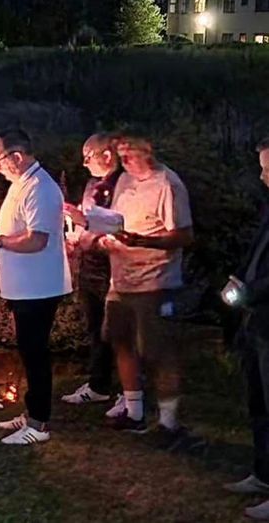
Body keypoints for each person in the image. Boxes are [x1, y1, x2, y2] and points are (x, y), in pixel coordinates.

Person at [0, 129, 72, 445]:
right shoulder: (22, 185)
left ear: (17, 156)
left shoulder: (41, 188)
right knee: (28, 352)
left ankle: (38, 425)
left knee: (36, 353)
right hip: (23, 287)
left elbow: (37, 239)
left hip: (38, 288)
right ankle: (31, 413)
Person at [97, 134, 193, 434]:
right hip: (121, 279)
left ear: (148, 152)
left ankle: (168, 422)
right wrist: (102, 236)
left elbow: (184, 235)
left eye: (129, 154)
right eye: (120, 154)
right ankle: (134, 410)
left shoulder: (167, 184)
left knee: (158, 350)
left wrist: (146, 241)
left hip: (155, 280)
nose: (123, 160)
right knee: (120, 340)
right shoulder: (125, 181)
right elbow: (118, 221)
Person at [60, 133, 126, 415]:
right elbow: (87, 221)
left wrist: (85, 223)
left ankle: (129, 391)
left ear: (107, 155)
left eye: (88, 157)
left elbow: (120, 224)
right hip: (90, 267)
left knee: (120, 331)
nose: (84, 163)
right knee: (95, 328)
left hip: (115, 267)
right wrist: (75, 236)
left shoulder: (125, 185)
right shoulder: (92, 185)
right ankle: (98, 385)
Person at [221, 137, 269, 520]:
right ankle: (264, 473)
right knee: (259, 401)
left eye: (268, 168)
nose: (263, 175)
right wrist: (237, 279)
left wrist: (251, 290)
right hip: (257, 320)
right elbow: (256, 253)